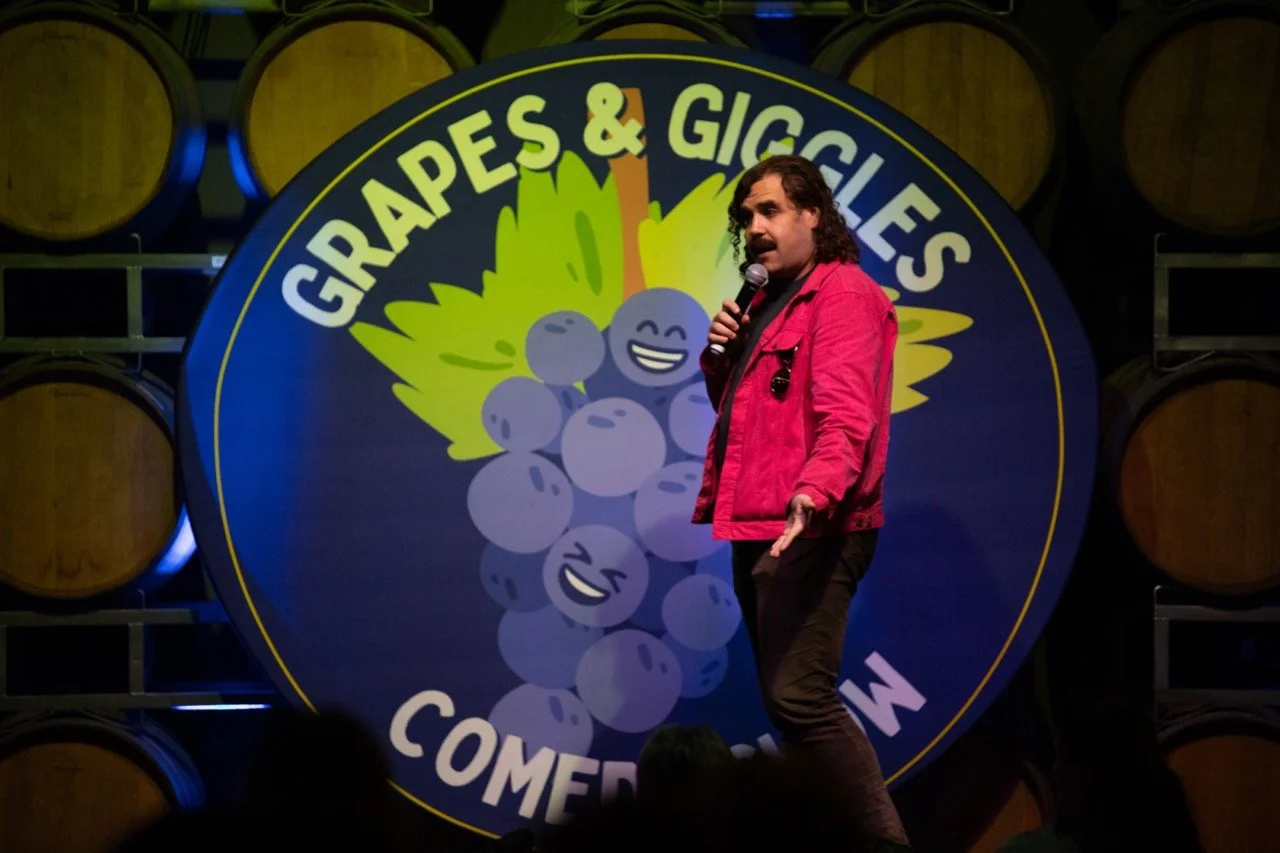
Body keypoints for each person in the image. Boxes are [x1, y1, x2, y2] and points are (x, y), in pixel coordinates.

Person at [691, 154, 905, 845]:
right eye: (745, 216)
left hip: (814, 525)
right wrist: (723, 356)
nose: (754, 227)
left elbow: (847, 415)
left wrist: (812, 497)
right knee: (789, 707)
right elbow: (753, 421)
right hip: (761, 522)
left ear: (814, 213)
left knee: (799, 696)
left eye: (770, 210)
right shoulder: (765, 299)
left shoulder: (841, 293)